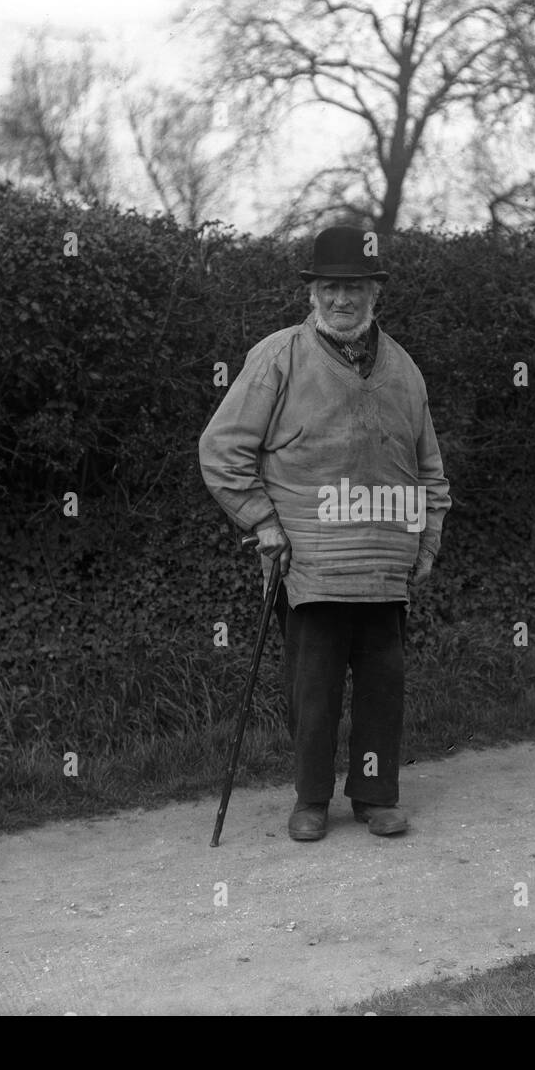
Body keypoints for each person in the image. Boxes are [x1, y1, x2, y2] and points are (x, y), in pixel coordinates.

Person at [199, 225, 451, 841]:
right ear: (314, 293)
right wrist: (263, 523)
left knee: (381, 689)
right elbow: (222, 450)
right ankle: (311, 800)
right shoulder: (279, 356)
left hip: (385, 566)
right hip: (307, 562)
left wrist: (428, 535)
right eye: (332, 287)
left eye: (356, 288)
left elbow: (428, 467)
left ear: (374, 294)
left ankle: (374, 797)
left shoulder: (404, 369)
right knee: (312, 691)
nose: (344, 300)